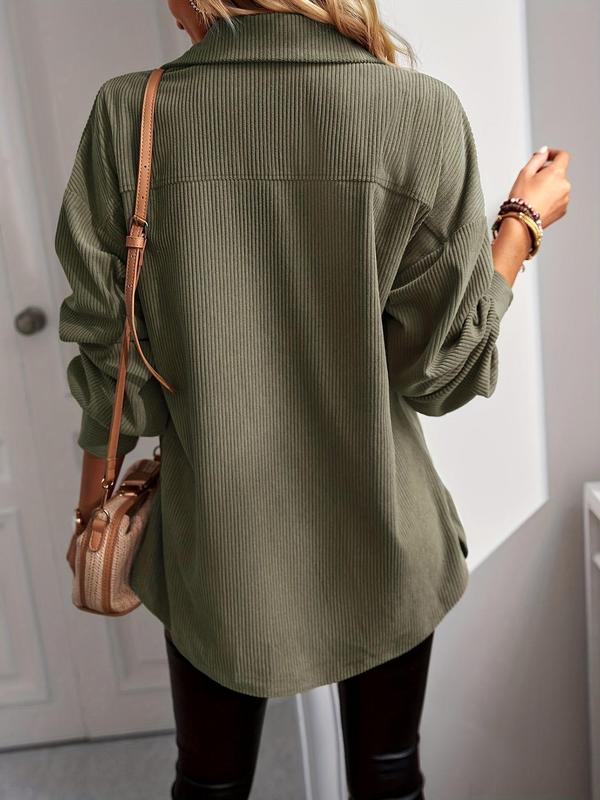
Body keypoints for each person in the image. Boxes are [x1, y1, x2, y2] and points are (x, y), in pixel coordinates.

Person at [54, 1, 571, 798]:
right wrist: (521, 226)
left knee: (209, 784)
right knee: (389, 779)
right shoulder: (418, 112)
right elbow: (440, 374)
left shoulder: (132, 115)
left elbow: (115, 366)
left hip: (217, 550)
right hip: (385, 537)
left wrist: (93, 511)